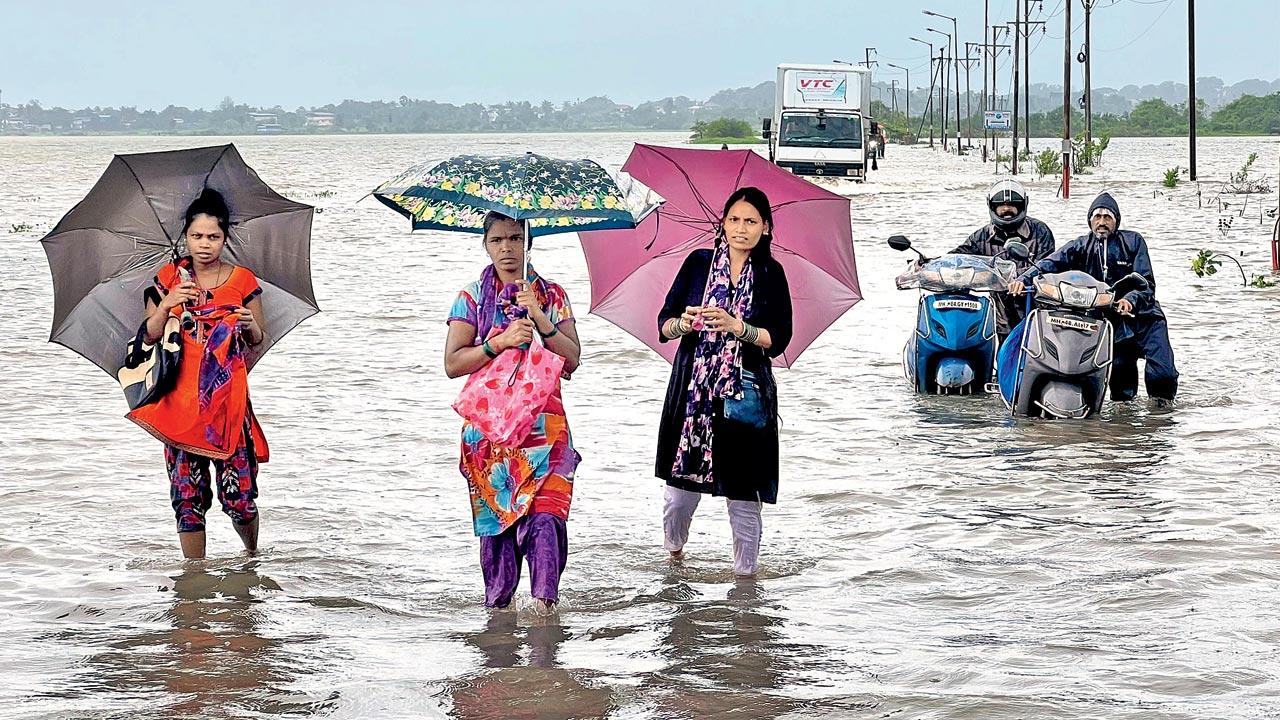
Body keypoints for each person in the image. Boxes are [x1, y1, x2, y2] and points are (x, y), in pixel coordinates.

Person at [444, 211, 582, 612]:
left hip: (547, 430)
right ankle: (499, 626)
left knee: (547, 523)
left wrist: (540, 318)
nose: (507, 248)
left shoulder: (552, 294)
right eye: (497, 240)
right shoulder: (470, 297)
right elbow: (453, 363)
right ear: (486, 245)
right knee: (498, 537)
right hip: (490, 435)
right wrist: (498, 343)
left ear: (529, 241)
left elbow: (572, 360)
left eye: (515, 238)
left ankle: (545, 620)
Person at [656, 187, 793, 577]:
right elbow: (663, 326)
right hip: (692, 394)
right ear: (723, 223)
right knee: (679, 496)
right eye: (734, 219)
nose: (741, 228)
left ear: (765, 228)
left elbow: (779, 338)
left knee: (744, 495)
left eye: (751, 221)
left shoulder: (771, 273)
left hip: (746, 393)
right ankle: (674, 558)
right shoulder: (698, 264)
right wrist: (686, 322)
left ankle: (746, 587)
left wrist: (739, 327)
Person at [128, 189, 269, 559]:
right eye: (196, 236)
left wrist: (249, 321)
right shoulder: (170, 277)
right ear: (185, 237)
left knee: (239, 497)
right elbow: (149, 334)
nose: (204, 245)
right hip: (179, 403)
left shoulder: (242, 280)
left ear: (225, 238)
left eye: (213, 237)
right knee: (187, 500)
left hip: (227, 404)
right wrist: (170, 302)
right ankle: (194, 584)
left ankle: (251, 558)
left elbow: (258, 340)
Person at [1009, 191, 1178, 402]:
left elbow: (1147, 284)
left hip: (1145, 318)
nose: (1102, 222)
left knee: (1163, 374)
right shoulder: (1080, 245)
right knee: (1121, 389)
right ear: (1090, 221)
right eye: (1097, 217)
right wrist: (1022, 280)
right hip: (1111, 322)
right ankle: (1126, 427)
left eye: (1108, 217)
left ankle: (1162, 418)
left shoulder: (1133, 241)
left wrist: (1130, 300)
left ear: (1116, 221)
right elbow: (1049, 263)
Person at [953, 179, 1056, 341]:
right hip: (999, 315)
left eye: (1012, 204)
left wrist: (1021, 279)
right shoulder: (982, 237)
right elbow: (958, 257)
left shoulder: (1040, 232)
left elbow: (1047, 266)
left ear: (1022, 205)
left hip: (1034, 311)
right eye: (1001, 205)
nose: (1007, 209)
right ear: (993, 207)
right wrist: (928, 264)